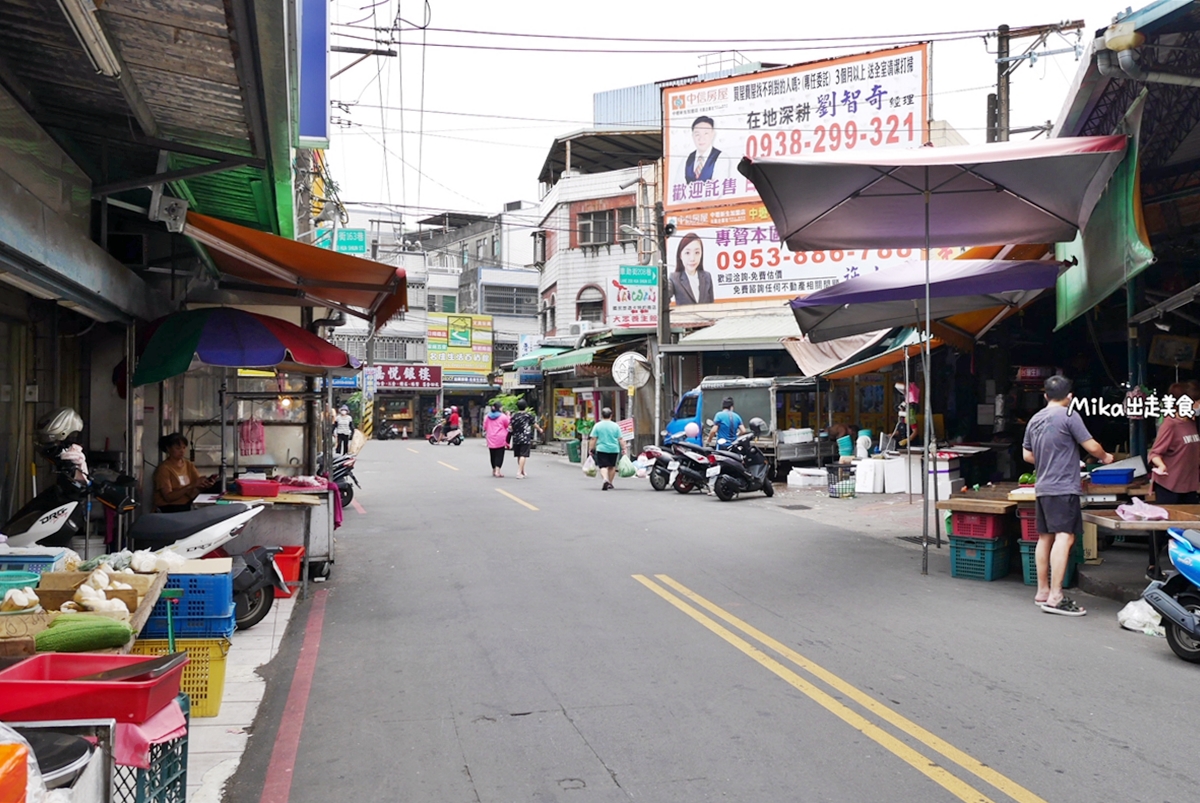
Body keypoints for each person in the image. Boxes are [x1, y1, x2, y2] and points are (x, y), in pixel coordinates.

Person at [1022, 375, 1114, 616]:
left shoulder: (1035, 419)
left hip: (1043, 488)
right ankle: (1055, 596)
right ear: (1070, 397)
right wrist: (1105, 458)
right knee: (1065, 537)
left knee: (1044, 538)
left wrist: (1048, 460)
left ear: (1045, 396)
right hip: (1063, 487)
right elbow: (1091, 446)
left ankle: (1042, 591)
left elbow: (1027, 456)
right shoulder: (1069, 415)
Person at [1147, 380, 1200, 577]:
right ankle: (1153, 566)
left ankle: (1185, 569)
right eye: (1197, 402)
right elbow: (1154, 453)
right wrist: (1160, 465)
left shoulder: (1191, 422)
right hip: (1169, 485)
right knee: (1162, 529)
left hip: (1189, 485)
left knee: (1189, 528)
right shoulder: (1170, 423)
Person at [154, 433, 214, 513]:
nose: (182, 451)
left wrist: (205, 485)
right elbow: (168, 497)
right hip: (169, 508)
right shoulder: (164, 469)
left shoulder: (188, 465)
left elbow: (194, 490)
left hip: (187, 505)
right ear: (168, 449)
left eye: (184, 448)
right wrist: (191, 485)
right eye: (178, 448)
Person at [680, 116, 728, 184]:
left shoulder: (722, 157)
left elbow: (719, 187)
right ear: (692, 136)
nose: (701, 138)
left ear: (713, 134)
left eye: (706, 133)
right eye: (697, 134)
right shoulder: (686, 159)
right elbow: (678, 183)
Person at [669, 232, 714, 305]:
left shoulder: (707, 277)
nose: (692, 258)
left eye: (697, 252)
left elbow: (712, 305)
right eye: (687, 253)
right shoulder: (674, 278)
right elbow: (665, 297)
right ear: (680, 255)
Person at [588, 407, 625, 491]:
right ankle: (610, 483)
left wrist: (591, 448)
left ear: (602, 415)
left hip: (601, 449)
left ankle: (605, 479)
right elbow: (621, 439)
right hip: (614, 449)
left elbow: (593, 438)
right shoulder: (616, 426)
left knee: (603, 466)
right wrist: (624, 448)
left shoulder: (597, 425)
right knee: (612, 466)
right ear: (611, 416)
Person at [510, 399, 543, 479]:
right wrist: (540, 430)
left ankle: (522, 471)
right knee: (523, 455)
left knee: (519, 455)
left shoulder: (514, 416)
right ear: (526, 407)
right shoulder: (528, 416)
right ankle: (519, 472)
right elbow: (534, 424)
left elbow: (510, 427)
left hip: (516, 438)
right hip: (525, 438)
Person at [483, 402, 511, 477]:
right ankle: (498, 470)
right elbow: (507, 424)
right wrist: (508, 415)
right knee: (499, 454)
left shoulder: (487, 417)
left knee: (492, 454)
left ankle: (493, 469)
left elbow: (485, 427)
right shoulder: (503, 416)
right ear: (499, 408)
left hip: (490, 437)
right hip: (500, 438)